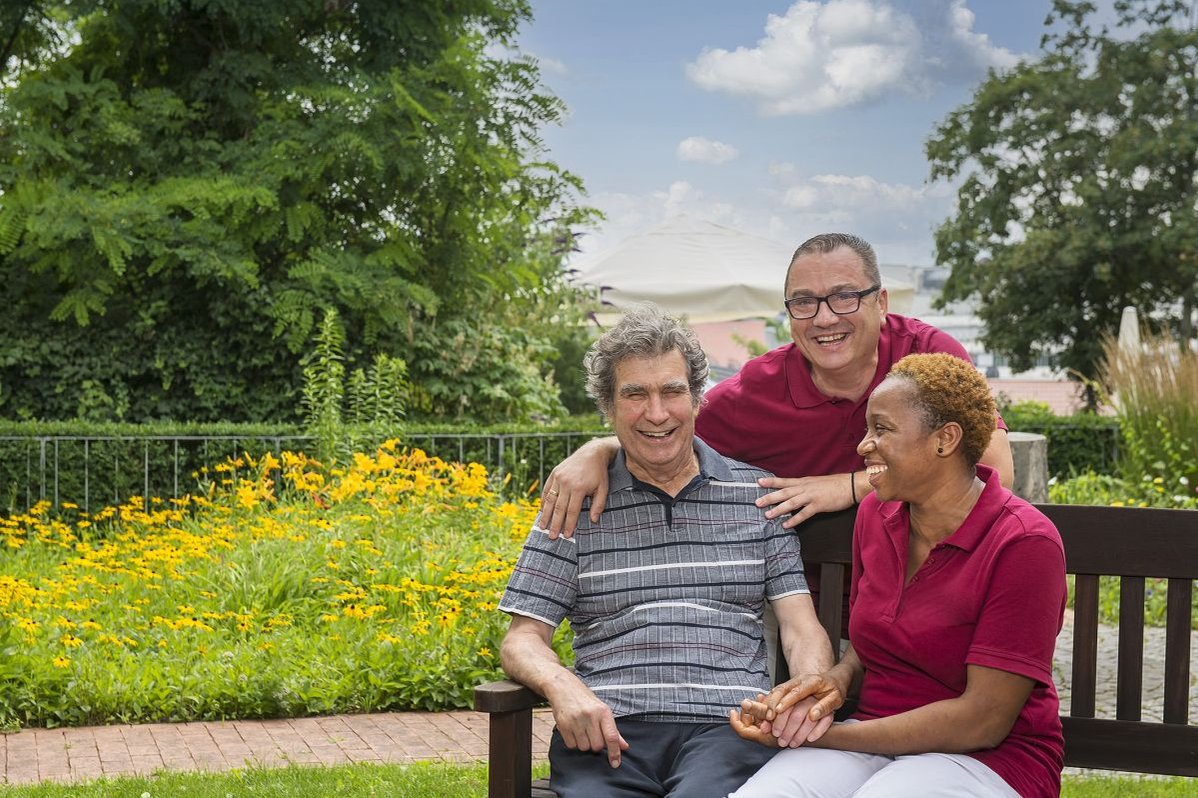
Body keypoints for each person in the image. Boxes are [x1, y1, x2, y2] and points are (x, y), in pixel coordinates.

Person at [498, 303, 835, 798]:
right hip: (608, 732)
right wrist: (563, 687)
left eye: (672, 391)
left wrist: (806, 688)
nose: (656, 413)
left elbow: (800, 626)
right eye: (635, 394)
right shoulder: (573, 504)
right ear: (609, 408)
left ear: (697, 399)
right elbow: (522, 638)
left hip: (729, 731)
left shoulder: (758, 497)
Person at [727, 352, 1067, 798]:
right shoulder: (877, 513)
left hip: (990, 758)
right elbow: (878, 641)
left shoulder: (1024, 542)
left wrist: (823, 735)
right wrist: (836, 680)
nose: (863, 445)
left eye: (881, 429)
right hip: (875, 736)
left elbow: (982, 720)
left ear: (945, 439)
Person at [537, 232, 1013, 538]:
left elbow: (994, 473)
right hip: (818, 614)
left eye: (845, 297)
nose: (825, 318)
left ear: (881, 301)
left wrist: (851, 485)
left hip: (930, 599)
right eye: (804, 302)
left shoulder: (929, 356)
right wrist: (598, 449)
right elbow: (668, 421)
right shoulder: (758, 390)